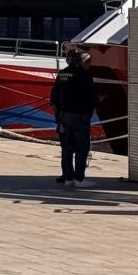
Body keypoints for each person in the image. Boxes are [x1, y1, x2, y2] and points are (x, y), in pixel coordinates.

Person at [50, 45, 96, 188]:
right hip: (79, 116)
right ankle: (79, 179)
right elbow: (89, 96)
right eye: (88, 62)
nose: (89, 65)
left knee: (67, 148)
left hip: (64, 116)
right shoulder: (83, 75)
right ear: (82, 62)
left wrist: (58, 114)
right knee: (82, 147)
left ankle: (68, 177)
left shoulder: (63, 73)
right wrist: (97, 102)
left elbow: (54, 95)